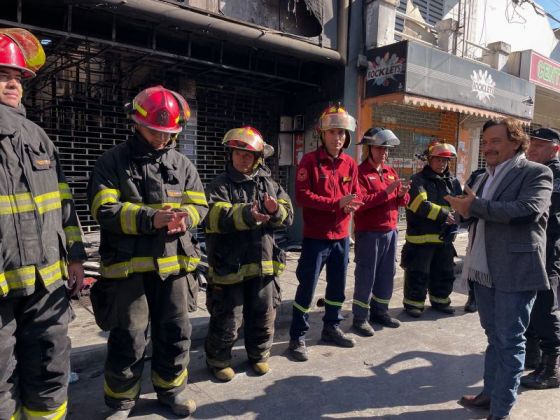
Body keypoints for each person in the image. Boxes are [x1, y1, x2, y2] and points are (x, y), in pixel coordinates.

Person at [88, 85, 207, 418]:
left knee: (175, 332)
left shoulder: (182, 164)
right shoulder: (111, 162)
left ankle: (171, 389)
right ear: (136, 122)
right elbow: (104, 210)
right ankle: (122, 401)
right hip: (128, 271)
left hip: (176, 268)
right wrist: (150, 218)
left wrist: (188, 219)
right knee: (129, 337)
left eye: (168, 132)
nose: (162, 138)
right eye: (155, 130)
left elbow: (200, 203)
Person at [0, 28, 86, 419]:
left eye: (18, 77)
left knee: (51, 367)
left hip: (45, 282)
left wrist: (76, 257)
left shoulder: (38, 136)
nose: (13, 83)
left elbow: (64, 203)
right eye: (3, 75)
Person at [446, 118, 552, 420]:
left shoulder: (536, 172)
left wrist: (475, 207)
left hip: (515, 269)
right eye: (486, 141)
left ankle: (501, 409)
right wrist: (460, 214)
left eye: (495, 141)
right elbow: (475, 215)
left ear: (516, 142)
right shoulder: (483, 177)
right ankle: (489, 394)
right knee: (494, 336)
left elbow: (527, 211)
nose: (488, 147)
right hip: (483, 268)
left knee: (510, 340)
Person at [204, 126, 293, 381]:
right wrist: (247, 214)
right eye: (238, 153)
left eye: (248, 155)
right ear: (230, 155)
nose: (243, 159)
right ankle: (218, 360)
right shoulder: (219, 185)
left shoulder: (270, 184)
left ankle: (259, 355)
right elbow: (210, 217)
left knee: (264, 313)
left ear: (258, 158)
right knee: (228, 318)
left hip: (263, 265)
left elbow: (289, 215)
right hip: (229, 267)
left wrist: (276, 211)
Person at [288, 104, 362, 362]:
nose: (338, 137)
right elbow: (302, 196)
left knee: (338, 286)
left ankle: (331, 327)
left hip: (342, 236)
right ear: (323, 134)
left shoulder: (350, 164)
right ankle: (297, 336)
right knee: (307, 287)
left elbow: (356, 192)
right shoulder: (309, 161)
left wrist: (354, 202)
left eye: (342, 133)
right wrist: (336, 204)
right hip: (316, 237)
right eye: (333, 132)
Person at [351, 128, 410, 336]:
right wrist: (386, 192)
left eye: (387, 149)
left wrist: (402, 194)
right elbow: (360, 202)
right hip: (369, 234)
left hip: (391, 232)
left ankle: (380, 311)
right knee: (366, 274)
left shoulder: (390, 172)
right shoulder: (359, 173)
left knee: (387, 274)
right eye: (379, 148)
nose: (384, 152)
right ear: (369, 148)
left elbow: (400, 202)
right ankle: (360, 318)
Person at [401, 141, 462, 318]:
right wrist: (444, 214)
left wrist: (460, 214)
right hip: (420, 239)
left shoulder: (453, 181)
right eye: (438, 160)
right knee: (417, 273)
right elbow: (419, 204)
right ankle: (413, 304)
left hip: (444, 238)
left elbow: (460, 201)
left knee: (444, 272)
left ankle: (441, 301)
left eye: (445, 161)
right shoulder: (417, 180)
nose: (442, 164)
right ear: (429, 160)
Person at [521, 127, 560, 389]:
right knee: (532, 303)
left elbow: (539, 210)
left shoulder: (554, 174)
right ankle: (533, 357)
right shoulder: (535, 171)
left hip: (548, 251)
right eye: (530, 144)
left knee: (546, 306)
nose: (531, 149)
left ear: (554, 149)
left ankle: (552, 369)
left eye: (539, 145)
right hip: (535, 248)